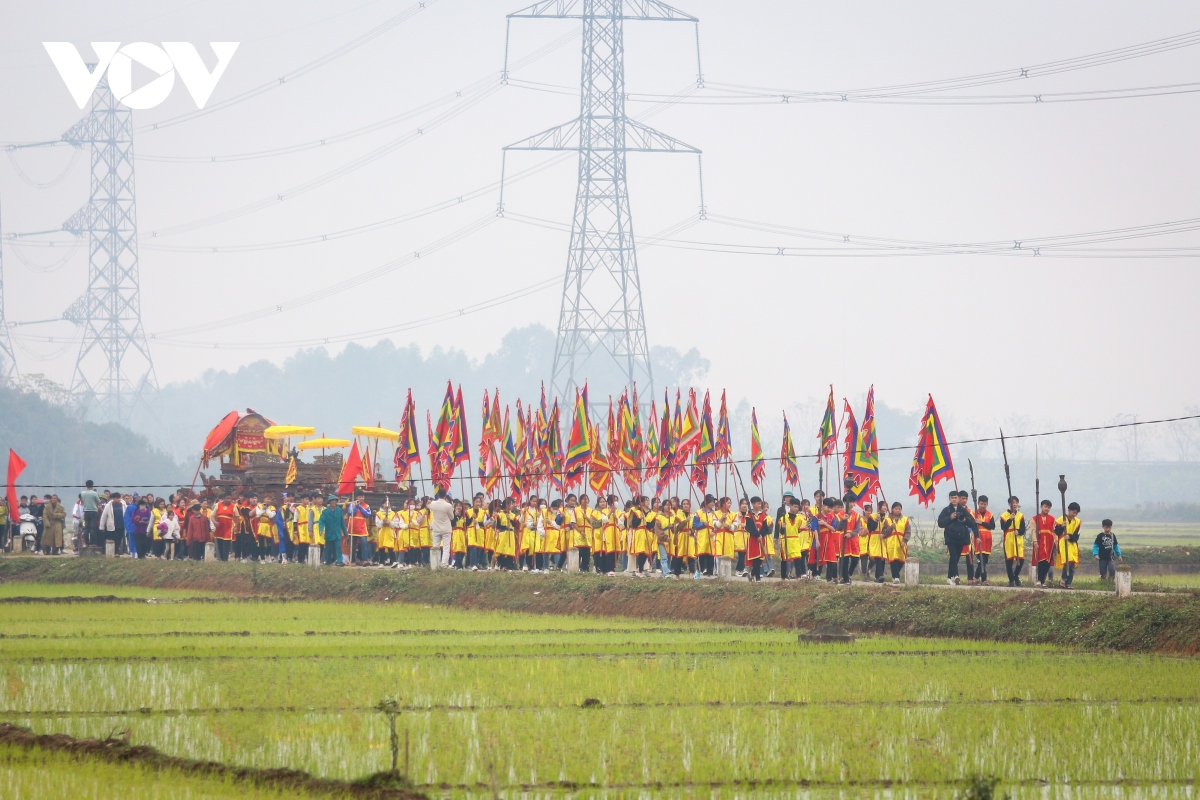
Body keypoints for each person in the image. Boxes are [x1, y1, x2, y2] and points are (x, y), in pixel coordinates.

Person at [937, 490, 977, 586]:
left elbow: (972, 521)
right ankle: (955, 576)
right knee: (954, 556)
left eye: (955, 498)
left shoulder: (963, 510)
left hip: (961, 537)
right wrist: (950, 517)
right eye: (952, 498)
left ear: (958, 498)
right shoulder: (946, 510)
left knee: (955, 558)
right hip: (950, 537)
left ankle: (949, 578)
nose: (954, 500)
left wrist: (964, 519)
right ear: (949, 499)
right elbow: (940, 523)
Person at [1000, 496, 1027, 587]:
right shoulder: (1004, 515)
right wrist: (1010, 519)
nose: (1015, 504)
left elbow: (1023, 529)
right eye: (1013, 502)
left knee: (1021, 559)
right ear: (1009, 504)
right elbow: (1004, 528)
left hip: (1018, 539)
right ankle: (1011, 579)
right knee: (1009, 560)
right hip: (1008, 539)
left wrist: (1019, 531)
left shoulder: (1020, 515)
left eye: (1016, 502)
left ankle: (1016, 575)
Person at [1055, 502, 1083, 589]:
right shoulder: (1060, 519)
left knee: (1072, 563)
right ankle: (1063, 580)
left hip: (1072, 544)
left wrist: (1070, 537)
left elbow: (1077, 535)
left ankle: (1068, 582)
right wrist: (1061, 527)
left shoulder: (1078, 522)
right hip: (1063, 543)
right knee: (1067, 561)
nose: (1074, 514)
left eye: (1076, 513)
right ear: (1069, 510)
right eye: (1073, 512)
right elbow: (1057, 532)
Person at [744, 496, 770, 582]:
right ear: (753, 504)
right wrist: (756, 534)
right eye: (758, 503)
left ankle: (752, 574)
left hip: (761, 539)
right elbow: (749, 527)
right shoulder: (749, 515)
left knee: (760, 560)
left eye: (760, 503)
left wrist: (761, 534)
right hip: (754, 539)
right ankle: (757, 578)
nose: (759, 505)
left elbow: (765, 528)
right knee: (755, 558)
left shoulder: (763, 515)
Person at [971, 495, 996, 585]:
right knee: (980, 560)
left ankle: (976, 578)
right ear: (978, 503)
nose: (983, 506)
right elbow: (973, 527)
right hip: (978, 539)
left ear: (987, 504)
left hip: (987, 540)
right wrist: (977, 537)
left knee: (984, 561)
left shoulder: (990, 514)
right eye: (981, 504)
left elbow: (992, 526)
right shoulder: (974, 514)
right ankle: (983, 579)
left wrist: (982, 523)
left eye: (984, 504)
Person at [884, 501, 910, 583]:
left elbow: (908, 531)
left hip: (901, 542)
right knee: (893, 560)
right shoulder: (888, 520)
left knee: (901, 560)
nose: (898, 510)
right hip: (891, 542)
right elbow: (884, 532)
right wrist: (891, 527)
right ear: (892, 509)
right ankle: (896, 577)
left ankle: (895, 575)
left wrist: (904, 540)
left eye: (899, 509)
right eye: (896, 509)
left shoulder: (905, 520)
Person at [1033, 500, 1057, 588]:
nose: (1047, 509)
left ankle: (1042, 581)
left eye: (1049, 507)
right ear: (1041, 506)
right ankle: (1039, 580)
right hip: (1040, 542)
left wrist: (1056, 542)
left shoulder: (1052, 519)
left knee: (1048, 562)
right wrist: (1035, 541)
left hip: (1050, 543)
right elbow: (1033, 531)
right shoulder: (1035, 518)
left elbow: (1054, 532)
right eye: (1045, 507)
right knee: (1041, 561)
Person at [429, 489, 454, 567]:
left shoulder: (433, 504)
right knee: (446, 548)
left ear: (438, 494)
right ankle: (444, 564)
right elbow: (452, 517)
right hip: (446, 528)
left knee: (435, 546)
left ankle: (435, 564)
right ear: (445, 495)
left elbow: (429, 508)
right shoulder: (448, 505)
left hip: (436, 527)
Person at [320, 496, 346, 566]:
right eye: (332, 501)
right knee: (328, 549)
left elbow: (342, 523)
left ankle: (339, 561)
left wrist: (346, 533)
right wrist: (321, 529)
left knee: (338, 547)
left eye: (335, 501)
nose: (334, 502)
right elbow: (321, 521)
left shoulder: (339, 510)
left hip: (337, 533)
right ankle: (328, 561)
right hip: (329, 534)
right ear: (329, 502)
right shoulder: (325, 512)